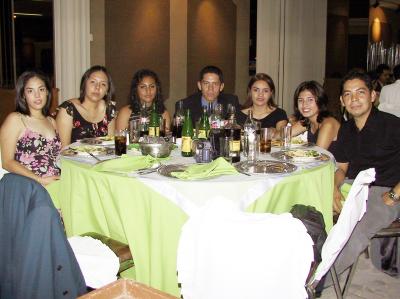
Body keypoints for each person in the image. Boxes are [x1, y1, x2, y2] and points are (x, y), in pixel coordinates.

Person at [328, 70, 400, 283]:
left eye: (360, 92)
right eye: (348, 94)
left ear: (373, 96)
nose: (354, 99)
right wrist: (333, 189)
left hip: (387, 190)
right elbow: (341, 167)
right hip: (355, 187)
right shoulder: (347, 129)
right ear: (342, 101)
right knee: (313, 208)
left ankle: (316, 284)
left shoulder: (392, 125)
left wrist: (394, 195)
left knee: (356, 230)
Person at [0, 70, 61, 186]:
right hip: (28, 186)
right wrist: (40, 180)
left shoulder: (52, 121)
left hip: (55, 183)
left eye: (41, 89)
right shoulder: (16, 119)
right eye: (30, 91)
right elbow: (7, 162)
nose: (37, 95)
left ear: (47, 92)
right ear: (23, 94)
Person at [56, 65, 116, 147]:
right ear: (84, 85)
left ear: (107, 91)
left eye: (103, 84)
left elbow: (111, 145)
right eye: (93, 82)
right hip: (72, 159)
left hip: (104, 158)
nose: (97, 87)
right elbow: (63, 149)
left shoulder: (109, 109)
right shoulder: (68, 109)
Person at [291, 81, 340, 151]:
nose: (304, 104)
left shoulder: (328, 124)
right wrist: (272, 131)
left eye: (310, 100)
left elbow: (317, 155)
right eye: (300, 100)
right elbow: (283, 135)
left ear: (320, 100)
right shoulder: (308, 120)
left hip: (332, 162)